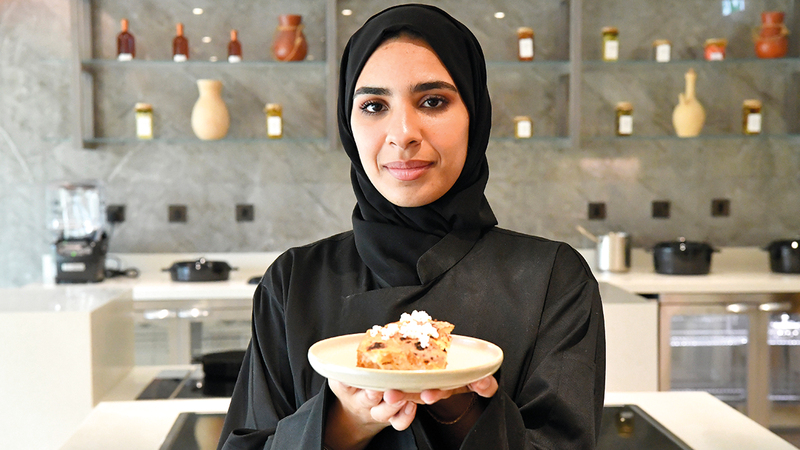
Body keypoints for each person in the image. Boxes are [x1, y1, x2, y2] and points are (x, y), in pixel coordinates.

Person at [217, 4, 605, 450]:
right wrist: (346, 421)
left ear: (475, 115)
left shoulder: (553, 279)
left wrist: (459, 406)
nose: (402, 133)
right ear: (348, 124)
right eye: (374, 106)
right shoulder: (293, 282)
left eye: (433, 101)